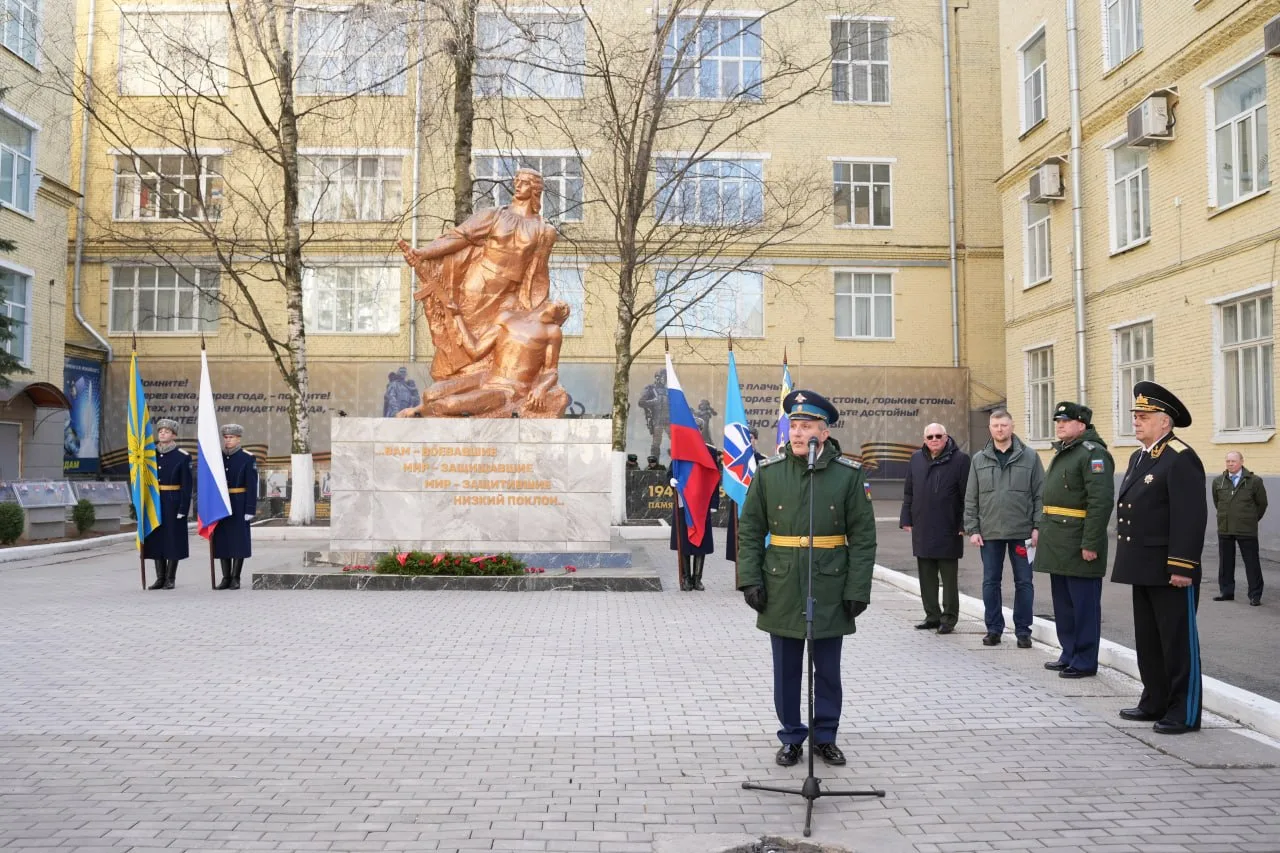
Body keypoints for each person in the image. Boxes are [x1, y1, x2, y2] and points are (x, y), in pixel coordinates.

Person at [736, 390, 876, 767]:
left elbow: (863, 537)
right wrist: (750, 579)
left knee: (827, 670)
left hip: (830, 585)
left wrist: (858, 589)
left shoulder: (848, 475)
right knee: (786, 669)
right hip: (781, 584)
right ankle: (791, 736)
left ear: (824, 433)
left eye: (806, 426)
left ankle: (825, 736)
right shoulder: (769, 473)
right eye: (793, 426)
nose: (797, 433)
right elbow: (750, 530)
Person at [1113, 381, 1207, 735]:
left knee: (1177, 643)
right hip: (1143, 565)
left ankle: (1184, 712)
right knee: (1149, 641)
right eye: (1136, 415)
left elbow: (1190, 516)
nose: (1136, 421)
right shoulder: (1140, 457)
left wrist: (1182, 565)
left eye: (1144, 416)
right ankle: (1155, 700)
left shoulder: (1180, 458)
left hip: (1171, 569)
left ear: (1164, 421)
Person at [1037, 402, 1114, 678]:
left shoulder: (1093, 454)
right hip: (1058, 540)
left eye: (1065, 421)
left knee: (1083, 606)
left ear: (1081, 425)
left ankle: (1084, 660)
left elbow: (1100, 502)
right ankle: (1069, 653)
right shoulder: (1066, 451)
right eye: (1058, 421)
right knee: (1064, 604)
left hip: (1078, 541)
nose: (1059, 425)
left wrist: (1091, 543)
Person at [964, 409, 1044, 647]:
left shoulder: (1030, 457)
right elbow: (971, 497)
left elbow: (1040, 494)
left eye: (1004, 425)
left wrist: (1038, 526)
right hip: (989, 532)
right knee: (991, 582)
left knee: (1024, 582)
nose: (1000, 429)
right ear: (990, 428)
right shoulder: (979, 459)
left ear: (1012, 426)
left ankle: (1023, 632)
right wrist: (973, 528)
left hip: (1022, 532)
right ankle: (994, 630)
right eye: (995, 426)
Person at [900, 422, 970, 635]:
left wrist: (964, 523)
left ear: (946, 437)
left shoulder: (961, 460)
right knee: (926, 576)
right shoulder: (916, 459)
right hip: (922, 526)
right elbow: (909, 491)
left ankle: (949, 619)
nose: (934, 440)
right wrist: (906, 518)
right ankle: (932, 616)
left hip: (948, 527)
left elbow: (967, 495)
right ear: (924, 439)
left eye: (938, 436)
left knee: (948, 579)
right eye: (930, 437)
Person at [1211, 451, 1267, 606]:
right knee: (1225, 563)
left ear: (1241, 462)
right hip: (1225, 527)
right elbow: (1217, 502)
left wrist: (1251, 519)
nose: (1230, 464)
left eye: (1233, 461)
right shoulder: (1218, 481)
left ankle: (1255, 595)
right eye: (1228, 461)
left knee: (1251, 562)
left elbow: (1262, 504)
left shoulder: (1254, 481)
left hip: (1246, 529)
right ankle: (1226, 592)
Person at [669, 425, 720, 592]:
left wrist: (714, 503)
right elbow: (671, 472)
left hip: (702, 504)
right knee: (684, 541)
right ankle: (686, 578)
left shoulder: (710, 451)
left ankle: (697, 579)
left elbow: (714, 478)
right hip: (684, 503)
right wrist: (671, 480)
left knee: (701, 543)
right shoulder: (680, 450)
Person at [143, 418, 192, 590]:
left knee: (172, 539)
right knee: (157, 539)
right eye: (160, 431)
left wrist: (183, 508)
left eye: (167, 431)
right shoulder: (150, 455)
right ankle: (160, 577)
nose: (163, 434)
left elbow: (187, 485)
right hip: (155, 501)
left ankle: (170, 578)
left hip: (173, 501)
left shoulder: (182, 456)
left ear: (174, 435)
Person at [212, 424, 258, 591]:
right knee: (222, 540)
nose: (228, 440)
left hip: (239, 502)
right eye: (225, 437)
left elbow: (252, 485)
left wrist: (250, 509)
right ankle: (226, 577)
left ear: (238, 439)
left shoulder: (247, 458)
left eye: (231, 437)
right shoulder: (218, 457)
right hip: (221, 504)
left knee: (238, 541)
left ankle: (236, 577)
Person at [726, 427, 769, 564]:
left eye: (750, 437)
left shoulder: (763, 460)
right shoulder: (735, 461)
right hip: (739, 505)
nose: (748, 441)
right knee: (737, 545)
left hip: (757, 506)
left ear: (756, 440)